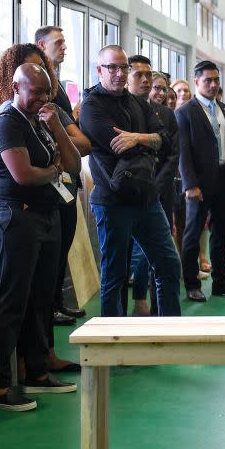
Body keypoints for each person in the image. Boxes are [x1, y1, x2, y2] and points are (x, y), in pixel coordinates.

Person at [0, 63, 81, 411]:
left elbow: (73, 165)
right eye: (35, 91)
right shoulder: (8, 123)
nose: (41, 98)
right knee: (12, 301)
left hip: (46, 216)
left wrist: (57, 125)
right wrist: (51, 168)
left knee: (42, 299)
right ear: (15, 87)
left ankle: (37, 372)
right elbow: (23, 175)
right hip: (15, 218)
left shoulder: (41, 121)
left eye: (46, 92)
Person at [79, 45, 182, 318]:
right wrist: (150, 142)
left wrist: (138, 138)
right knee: (114, 276)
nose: (118, 73)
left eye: (123, 68)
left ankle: (171, 333)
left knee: (169, 265)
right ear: (100, 70)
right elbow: (117, 146)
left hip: (146, 199)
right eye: (112, 67)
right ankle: (114, 343)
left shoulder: (139, 102)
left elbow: (165, 139)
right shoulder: (92, 105)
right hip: (113, 202)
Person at [176, 60, 225, 302]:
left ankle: (221, 281)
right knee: (193, 235)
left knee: (220, 235)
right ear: (196, 81)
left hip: (224, 181)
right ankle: (192, 284)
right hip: (199, 185)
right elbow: (182, 151)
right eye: (208, 80)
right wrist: (190, 184)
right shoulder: (185, 112)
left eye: (216, 80)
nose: (214, 84)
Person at [35, 26, 87, 328]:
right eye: (59, 43)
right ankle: (50, 307)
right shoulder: (42, 95)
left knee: (61, 246)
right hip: (48, 188)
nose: (65, 47)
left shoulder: (60, 87)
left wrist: (68, 136)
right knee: (50, 255)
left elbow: (79, 141)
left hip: (67, 181)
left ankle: (56, 303)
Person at [126, 60, 180, 317]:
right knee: (140, 254)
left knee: (162, 253)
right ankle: (139, 300)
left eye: (163, 89)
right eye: (155, 87)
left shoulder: (168, 116)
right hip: (136, 189)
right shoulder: (133, 110)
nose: (158, 93)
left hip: (161, 191)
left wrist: (156, 186)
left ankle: (162, 309)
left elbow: (171, 153)